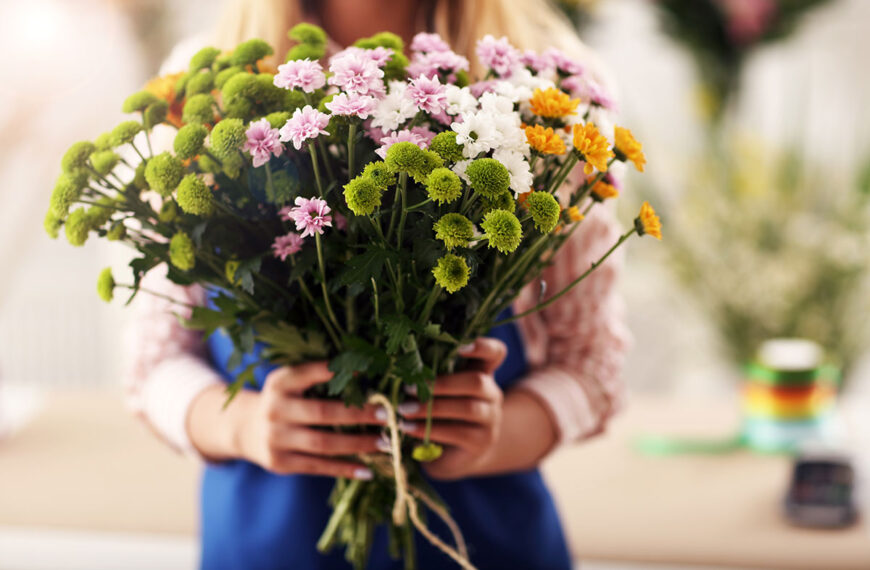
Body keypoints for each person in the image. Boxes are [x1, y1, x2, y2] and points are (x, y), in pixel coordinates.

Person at [124, 0, 630, 568]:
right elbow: (152, 365)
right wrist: (243, 427)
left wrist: (499, 435)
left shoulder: (547, 91)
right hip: (270, 540)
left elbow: (592, 363)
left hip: (481, 539)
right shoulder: (200, 90)